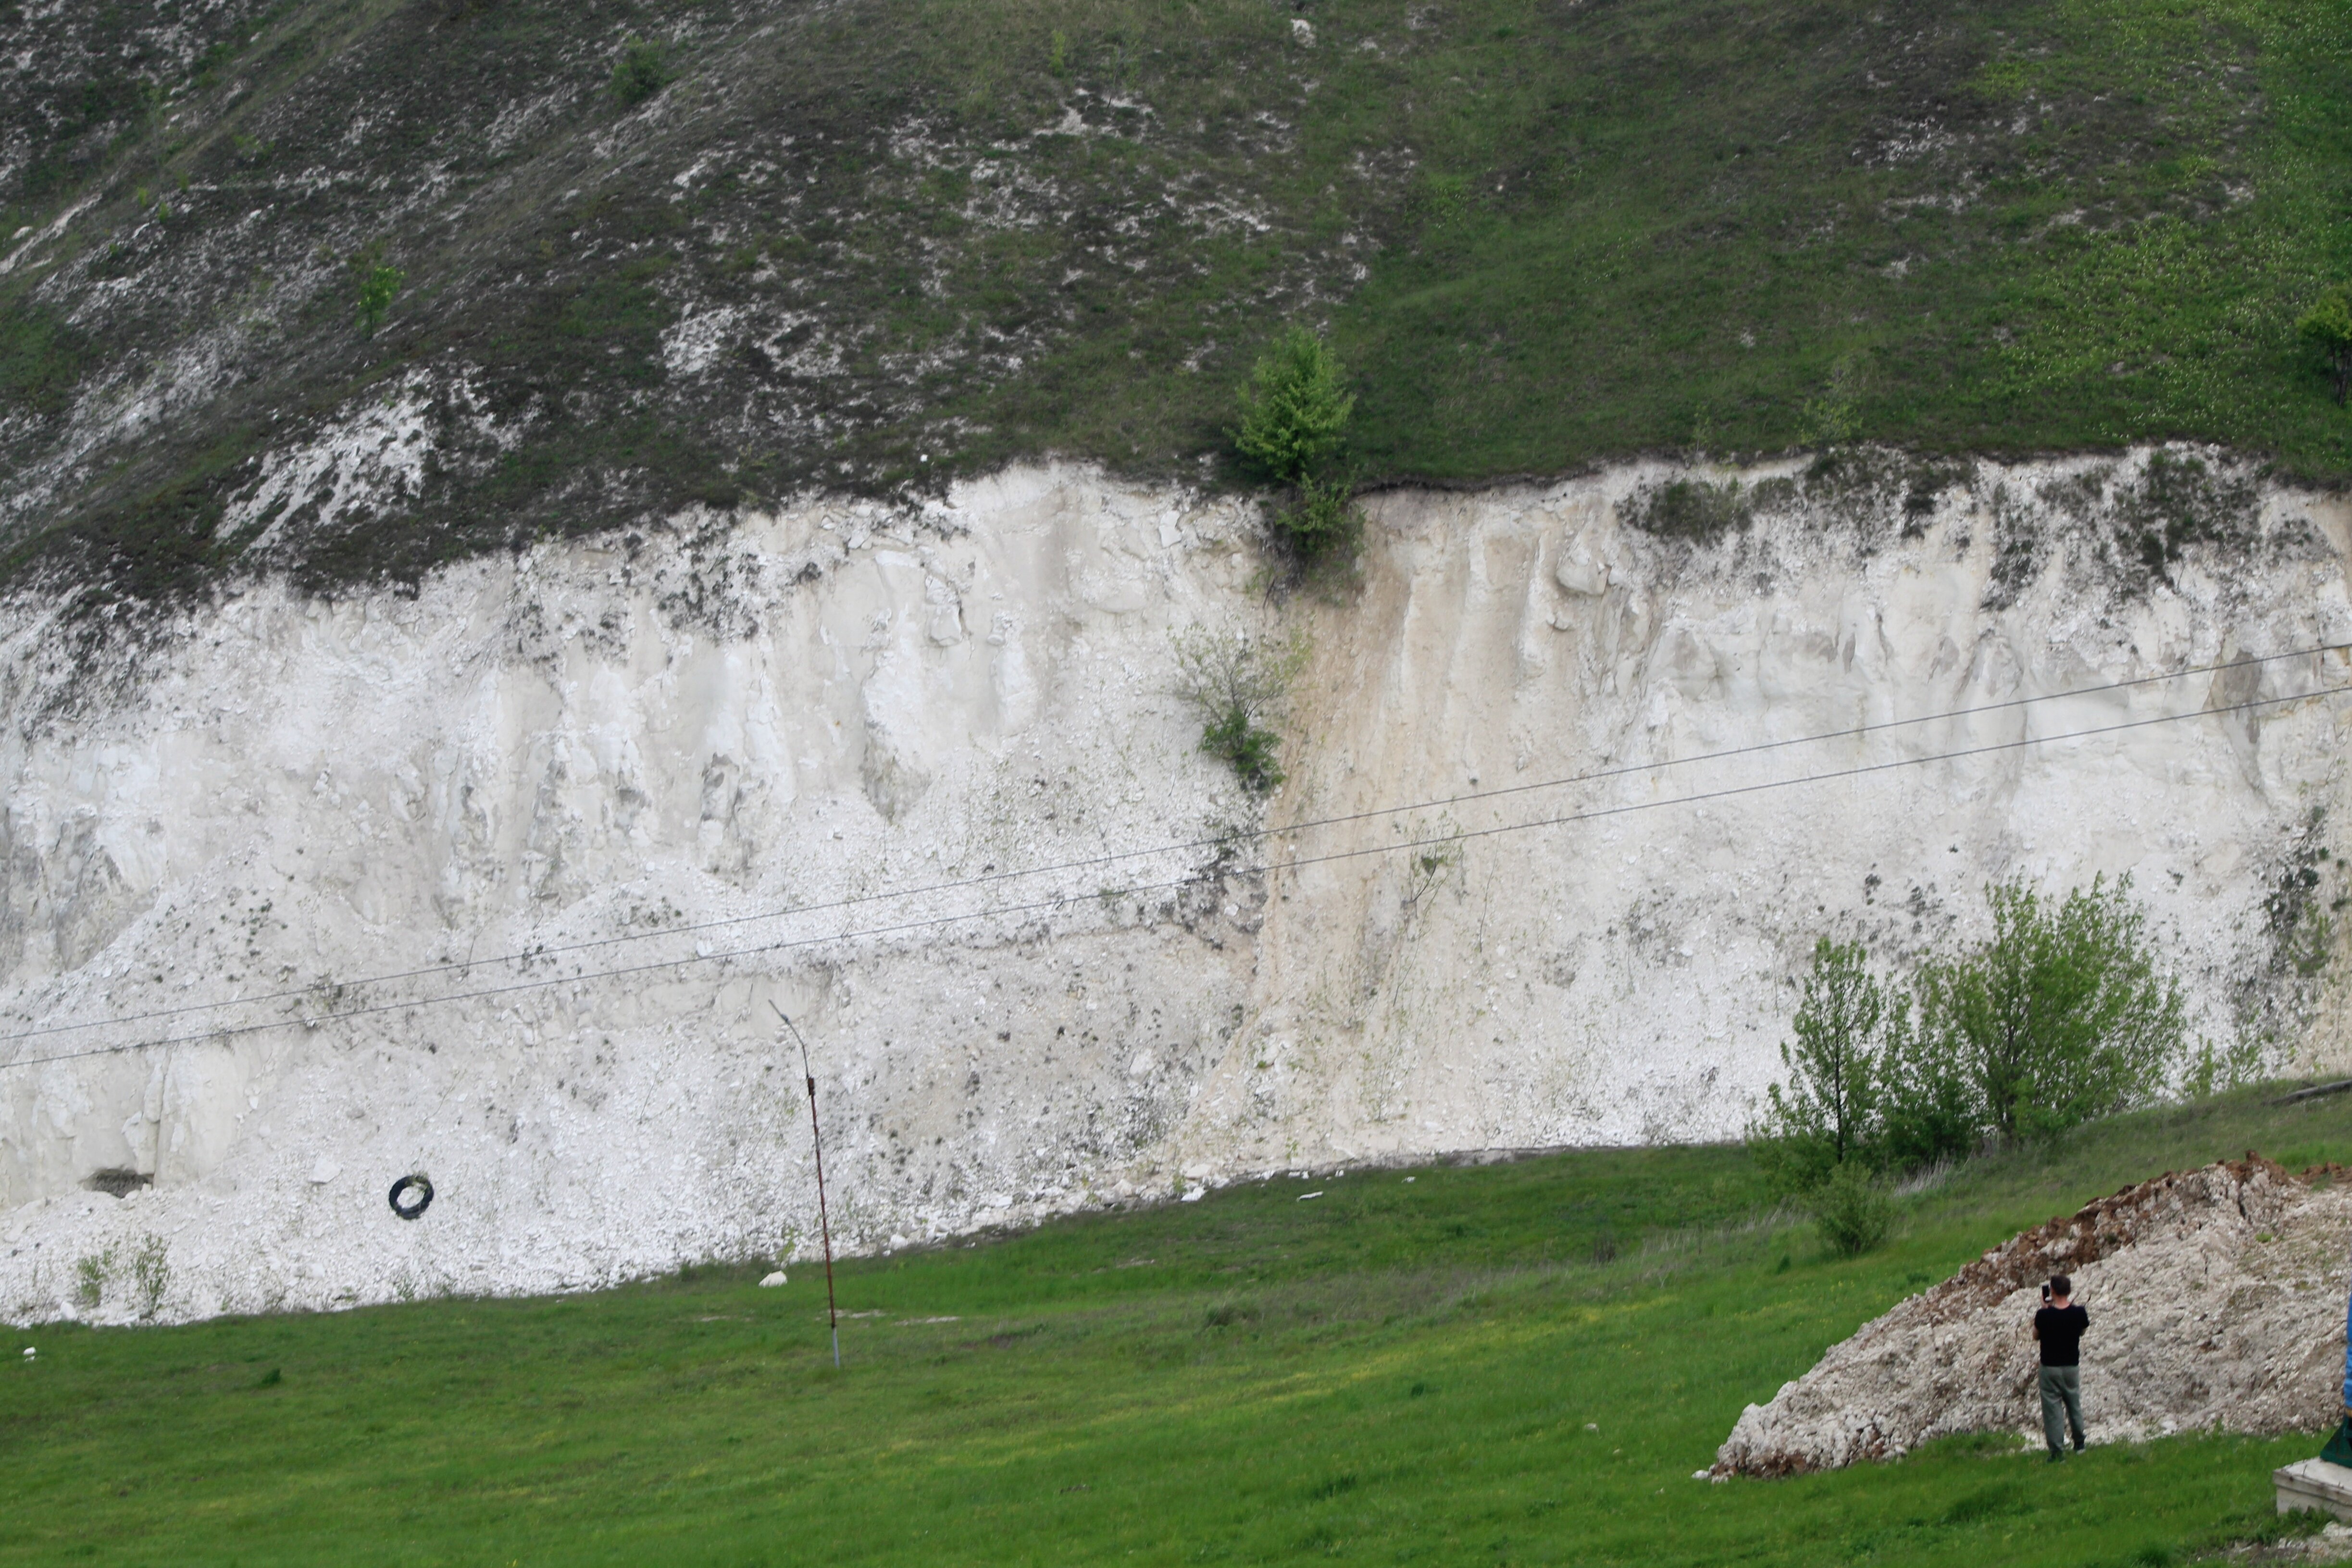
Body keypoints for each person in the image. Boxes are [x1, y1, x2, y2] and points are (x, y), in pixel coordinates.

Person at [2032, 1274, 2090, 1461]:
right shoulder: (2079, 1313)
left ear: (2052, 1291)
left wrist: (2045, 1309)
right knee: (2074, 1403)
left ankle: (2057, 1451)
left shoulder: (2044, 1315)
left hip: (2050, 1367)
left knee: (2052, 1409)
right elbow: (2082, 1331)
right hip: (2071, 1366)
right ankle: (2079, 1442)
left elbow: (2035, 1336)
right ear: (2069, 1291)